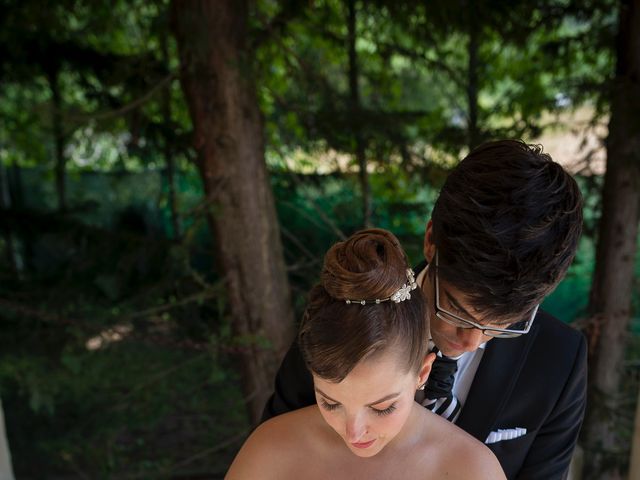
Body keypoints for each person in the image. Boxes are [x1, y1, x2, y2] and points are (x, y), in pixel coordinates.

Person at [262, 140, 587, 480]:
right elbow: (282, 451)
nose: (472, 342)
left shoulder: (560, 361)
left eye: (503, 325)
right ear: (431, 240)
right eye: (457, 309)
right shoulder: (343, 318)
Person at [227, 229, 505, 479]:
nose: (354, 432)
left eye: (382, 407)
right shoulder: (270, 451)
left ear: (422, 372)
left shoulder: (472, 470)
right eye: (330, 403)